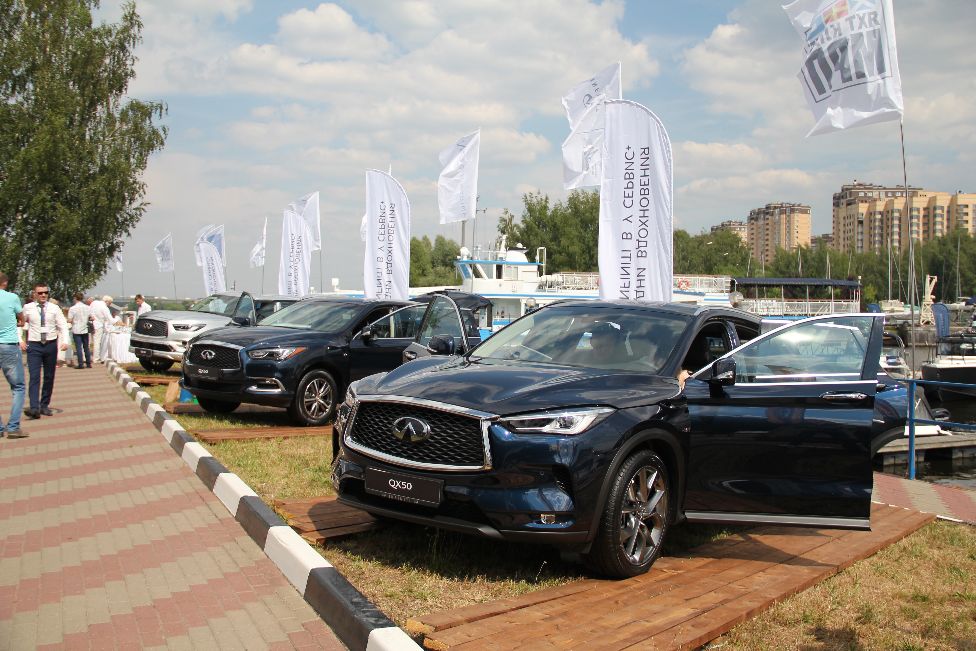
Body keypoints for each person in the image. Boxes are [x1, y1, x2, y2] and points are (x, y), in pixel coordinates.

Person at [21, 282, 69, 419]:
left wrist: (65, 341)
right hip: (34, 345)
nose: (43, 295)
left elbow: (63, 325)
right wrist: (20, 339)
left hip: (50, 344)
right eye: (40, 293)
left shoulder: (54, 308)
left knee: (49, 376)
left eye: (45, 292)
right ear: (35, 294)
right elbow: (20, 323)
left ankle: (44, 405)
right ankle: (34, 408)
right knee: (34, 376)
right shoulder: (28, 308)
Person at [0, 273, 26, 438]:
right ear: (5, 282)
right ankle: (13, 426)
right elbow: (22, 319)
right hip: (8, 345)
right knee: (18, 387)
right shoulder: (12, 297)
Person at [67, 292, 92, 369]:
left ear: (75, 298)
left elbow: (69, 320)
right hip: (85, 329)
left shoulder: (72, 308)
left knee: (78, 347)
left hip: (76, 329)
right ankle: (88, 363)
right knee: (86, 347)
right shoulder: (87, 307)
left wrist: (70, 320)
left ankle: (80, 363)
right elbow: (91, 317)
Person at [88, 295, 115, 363]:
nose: (110, 305)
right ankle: (96, 358)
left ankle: (86, 357)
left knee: (88, 342)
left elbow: (89, 311)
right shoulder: (104, 308)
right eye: (110, 303)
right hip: (98, 325)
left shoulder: (94, 303)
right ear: (107, 301)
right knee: (97, 342)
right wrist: (117, 321)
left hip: (90, 324)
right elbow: (110, 319)